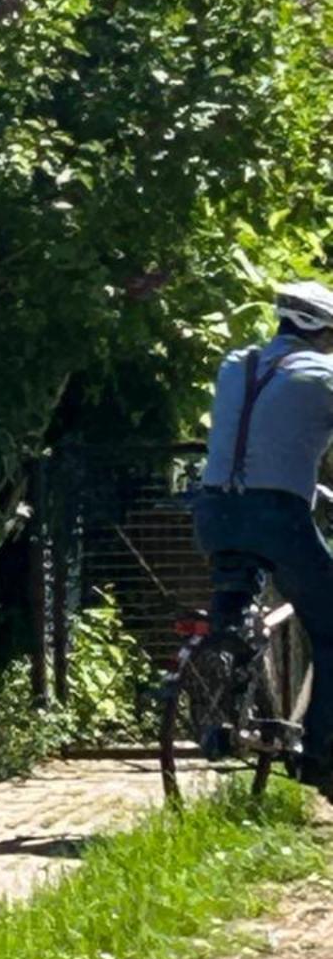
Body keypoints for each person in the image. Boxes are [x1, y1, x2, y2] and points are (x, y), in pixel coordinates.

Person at [195, 279, 333, 788]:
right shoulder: (323, 374)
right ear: (321, 330)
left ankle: (227, 684)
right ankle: (320, 759)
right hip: (276, 517)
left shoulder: (236, 364)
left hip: (213, 511)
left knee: (236, 605)